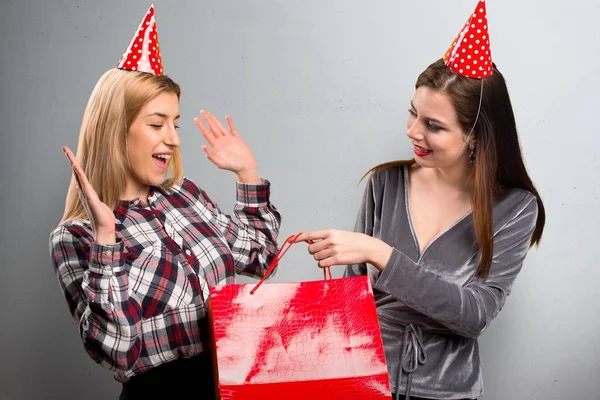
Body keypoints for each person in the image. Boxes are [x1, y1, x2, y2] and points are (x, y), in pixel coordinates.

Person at [296, 2, 545, 399]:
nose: (413, 132)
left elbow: (474, 315)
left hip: (447, 392)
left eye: (433, 126)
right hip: (367, 383)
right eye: (413, 114)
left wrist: (382, 254)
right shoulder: (386, 184)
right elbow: (353, 301)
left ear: (476, 135)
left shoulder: (515, 209)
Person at [48, 5, 280, 399]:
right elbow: (117, 352)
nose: (173, 138)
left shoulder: (185, 195)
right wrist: (107, 241)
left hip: (235, 384)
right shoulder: (76, 237)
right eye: (157, 124)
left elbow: (261, 259)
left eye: (174, 122)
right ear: (115, 131)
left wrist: (248, 174)